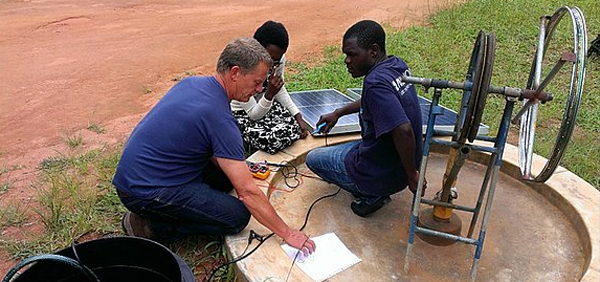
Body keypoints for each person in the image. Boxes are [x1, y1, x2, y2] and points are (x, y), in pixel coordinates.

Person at [112, 38, 315, 254]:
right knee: (236, 216)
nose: (258, 89)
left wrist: (240, 168)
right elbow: (248, 193)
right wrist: (287, 232)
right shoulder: (220, 118)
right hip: (143, 191)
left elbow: (199, 142)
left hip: (137, 175)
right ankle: (151, 227)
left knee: (226, 177)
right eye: (256, 82)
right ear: (235, 73)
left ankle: (188, 204)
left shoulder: (191, 83)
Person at [305, 20, 426, 217]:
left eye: (352, 54)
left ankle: (372, 193)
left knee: (314, 158)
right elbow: (376, 100)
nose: (346, 60)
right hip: (400, 164)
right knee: (353, 147)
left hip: (384, 173)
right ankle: (376, 184)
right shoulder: (396, 65)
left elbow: (403, 130)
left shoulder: (374, 82)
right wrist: (338, 113)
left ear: (373, 51)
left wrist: (412, 176)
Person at [231, 21, 309, 155]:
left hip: (265, 104)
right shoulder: (243, 67)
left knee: (294, 126)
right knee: (271, 140)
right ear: (257, 50)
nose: (273, 65)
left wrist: (297, 116)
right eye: (271, 60)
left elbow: (279, 86)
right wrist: (269, 95)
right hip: (244, 112)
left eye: (277, 61)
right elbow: (253, 114)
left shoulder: (277, 58)